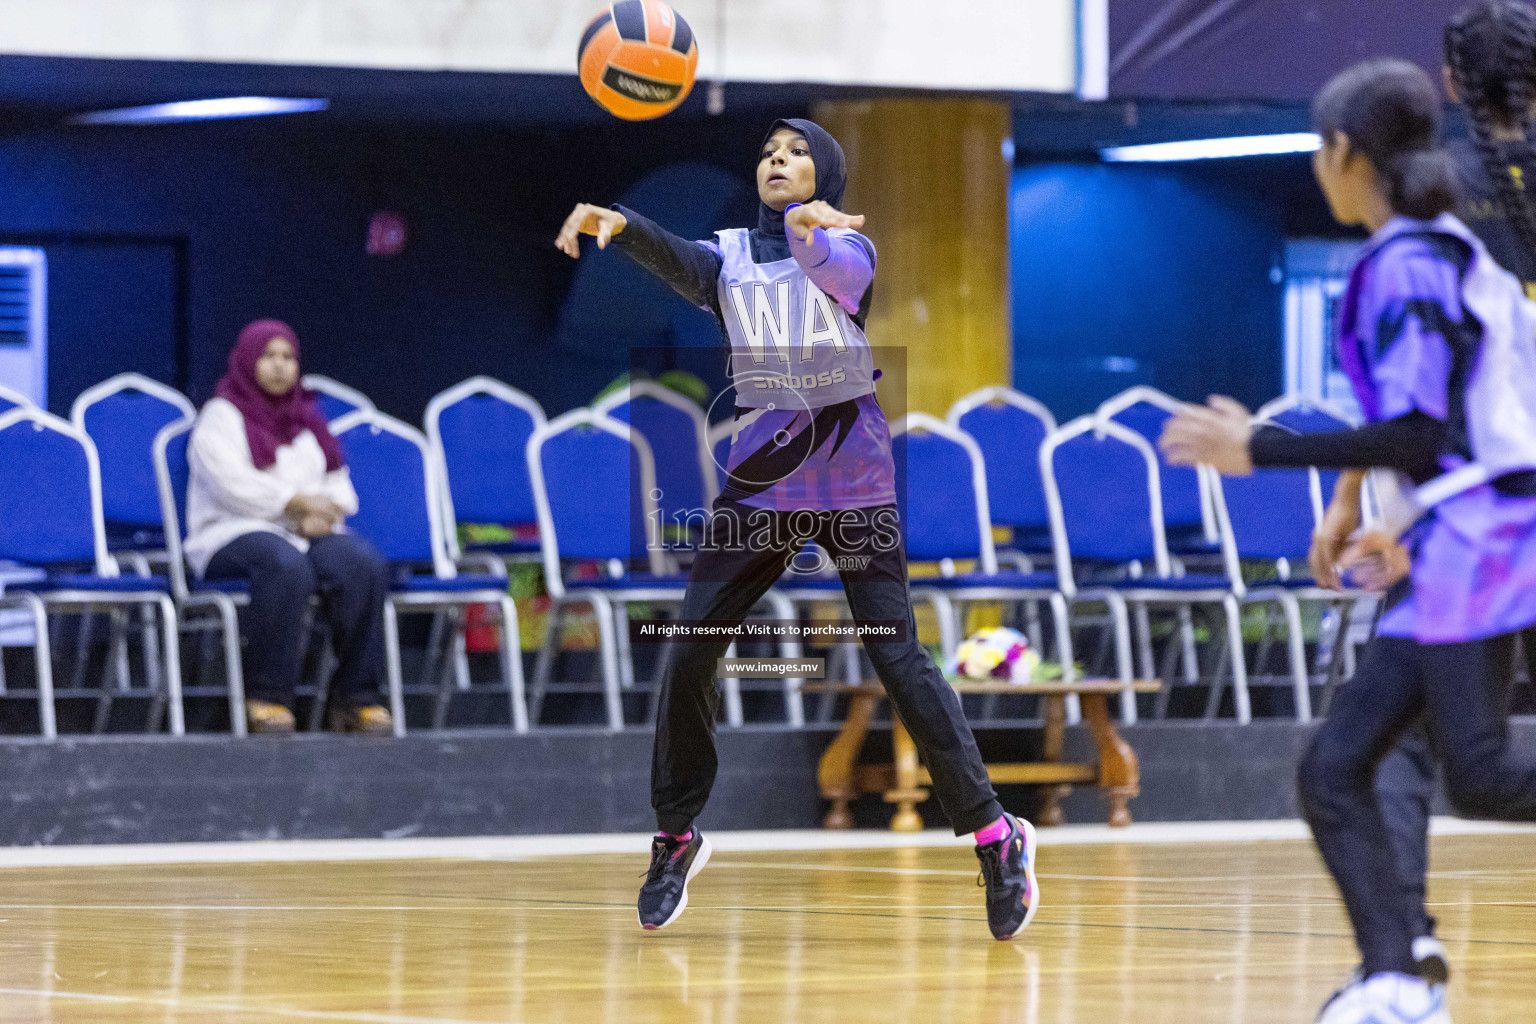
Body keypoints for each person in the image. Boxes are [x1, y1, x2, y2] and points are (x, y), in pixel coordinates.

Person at [554, 119, 1039, 938]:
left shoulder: (853, 254)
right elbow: (679, 256)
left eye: (797, 152)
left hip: (853, 480)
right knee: (690, 647)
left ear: (825, 175)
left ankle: (996, 836)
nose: (777, 160)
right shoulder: (732, 259)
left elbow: (831, 267)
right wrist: (621, 223)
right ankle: (677, 836)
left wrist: (816, 228)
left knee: (898, 656)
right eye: (769, 152)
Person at [1160, 59, 1536, 1024]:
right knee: (1338, 766)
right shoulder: (1441, 250)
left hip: (1485, 541)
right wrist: (1379, 513)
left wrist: (1263, 449)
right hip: (1466, 534)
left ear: (1342, 153)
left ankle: (1399, 976)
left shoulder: (1409, 263)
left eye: (1316, 151)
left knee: (1481, 775)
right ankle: (1397, 980)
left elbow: (1422, 434)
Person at [185, 320, 394, 736]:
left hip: (303, 531)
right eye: (268, 356)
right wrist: (295, 503)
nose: (280, 367)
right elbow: (232, 485)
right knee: (284, 565)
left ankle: (356, 698)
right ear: (247, 361)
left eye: (288, 357)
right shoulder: (221, 416)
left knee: (361, 563)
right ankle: (268, 696)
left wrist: (328, 510)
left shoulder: (307, 420)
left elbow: (337, 479)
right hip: (231, 531)